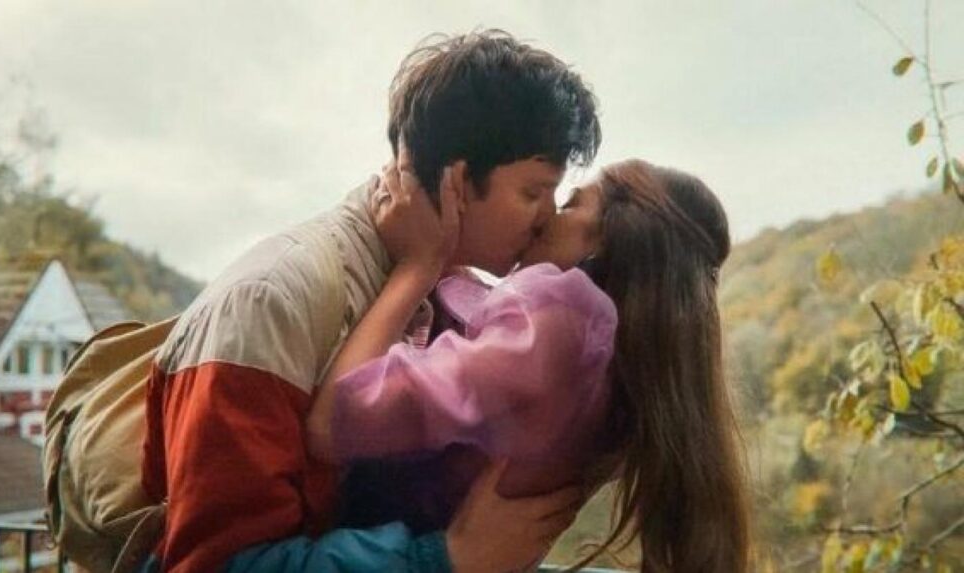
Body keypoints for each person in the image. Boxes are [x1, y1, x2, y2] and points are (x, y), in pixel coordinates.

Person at [139, 30, 601, 572]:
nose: (547, 217)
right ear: (457, 180)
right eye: (533, 192)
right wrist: (442, 559)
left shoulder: (446, 295)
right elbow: (211, 564)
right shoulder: (270, 301)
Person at [307, 159, 752, 573]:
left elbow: (335, 422)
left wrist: (417, 265)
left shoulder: (562, 326)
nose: (547, 216)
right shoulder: (623, 375)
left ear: (606, 242)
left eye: (570, 203)